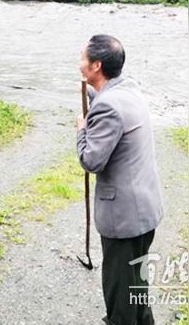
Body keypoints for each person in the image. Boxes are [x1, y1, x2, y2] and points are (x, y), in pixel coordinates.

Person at [76, 35, 163, 325]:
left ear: (96, 65)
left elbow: (91, 160)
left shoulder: (106, 107)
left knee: (120, 301)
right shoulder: (129, 89)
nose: (80, 65)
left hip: (123, 220)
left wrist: (82, 130)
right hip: (144, 212)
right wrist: (91, 93)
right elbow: (108, 99)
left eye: (83, 60)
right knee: (137, 289)